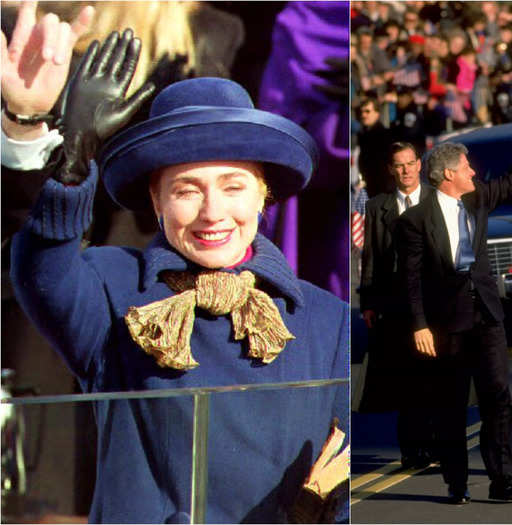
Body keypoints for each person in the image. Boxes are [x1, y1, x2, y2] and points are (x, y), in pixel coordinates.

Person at [4, 22, 348, 525]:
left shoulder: (328, 318)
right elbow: (41, 266)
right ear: (156, 200)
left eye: (233, 187)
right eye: (187, 189)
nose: (213, 212)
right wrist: (63, 156)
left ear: (263, 195)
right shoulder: (112, 288)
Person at [395, 109, 512, 504]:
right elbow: (411, 279)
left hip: (487, 317)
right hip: (447, 325)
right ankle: (457, 482)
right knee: (451, 405)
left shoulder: (479, 199)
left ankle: (502, 480)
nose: (473, 172)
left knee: (498, 398)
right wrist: (419, 325)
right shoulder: (416, 220)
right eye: (467, 167)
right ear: (448, 174)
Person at [359, 142, 435, 467]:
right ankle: (411, 450)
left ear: (419, 165)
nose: (405, 171)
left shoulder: (436, 200)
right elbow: (371, 256)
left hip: (433, 301)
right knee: (406, 379)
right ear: (391, 169)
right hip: (395, 303)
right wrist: (369, 302)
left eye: (409, 163)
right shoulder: (379, 206)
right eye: (398, 165)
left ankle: (435, 445)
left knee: (433, 377)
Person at [357, 97, 393, 197]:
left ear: (377, 113)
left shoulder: (384, 135)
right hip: (370, 186)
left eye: (367, 111)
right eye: (362, 112)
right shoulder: (364, 134)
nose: (363, 115)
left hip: (382, 188)